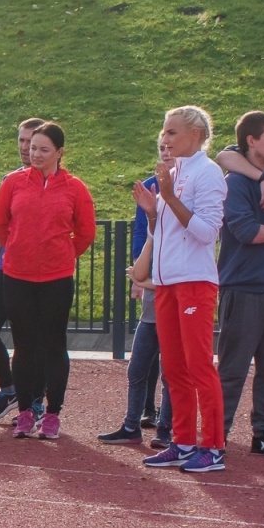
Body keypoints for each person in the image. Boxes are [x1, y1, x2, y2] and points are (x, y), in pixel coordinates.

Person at [132, 106, 228, 473]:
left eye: (172, 132)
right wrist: (154, 212)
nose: (164, 138)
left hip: (195, 283)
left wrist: (169, 197)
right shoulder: (172, 175)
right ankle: (184, 441)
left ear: (197, 135)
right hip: (167, 284)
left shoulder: (208, 173)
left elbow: (206, 233)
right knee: (174, 368)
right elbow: (165, 237)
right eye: (164, 131)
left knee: (199, 365)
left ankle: (214, 447)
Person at [0, 122, 97, 439]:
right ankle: (24, 412)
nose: (35, 154)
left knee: (53, 345)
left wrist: (61, 254)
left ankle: (52, 414)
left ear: (60, 153)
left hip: (57, 278)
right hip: (17, 276)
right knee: (22, 345)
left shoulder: (75, 188)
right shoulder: (14, 183)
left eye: (43, 149)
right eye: (32, 148)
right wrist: (20, 247)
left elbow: (86, 232)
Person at [0, 118, 47, 423]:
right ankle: (10, 389)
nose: (25, 148)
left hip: (41, 273)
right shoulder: (10, 179)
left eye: (30, 142)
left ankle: (37, 400)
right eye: (21, 141)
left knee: (33, 339)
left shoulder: (60, 181)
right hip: (8, 268)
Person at [212, 110, 264, 454]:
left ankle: (263, 434)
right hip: (244, 287)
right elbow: (245, 231)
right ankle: (217, 435)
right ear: (252, 140)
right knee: (232, 370)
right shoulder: (234, 181)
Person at [99, 189, 171, 447]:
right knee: (137, 370)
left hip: (173, 315)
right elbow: (138, 274)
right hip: (150, 316)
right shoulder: (154, 235)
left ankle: (165, 430)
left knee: (171, 375)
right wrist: (146, 281)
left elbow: (171, 282)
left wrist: (148, 282)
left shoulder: (181, 239)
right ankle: (131, 426)